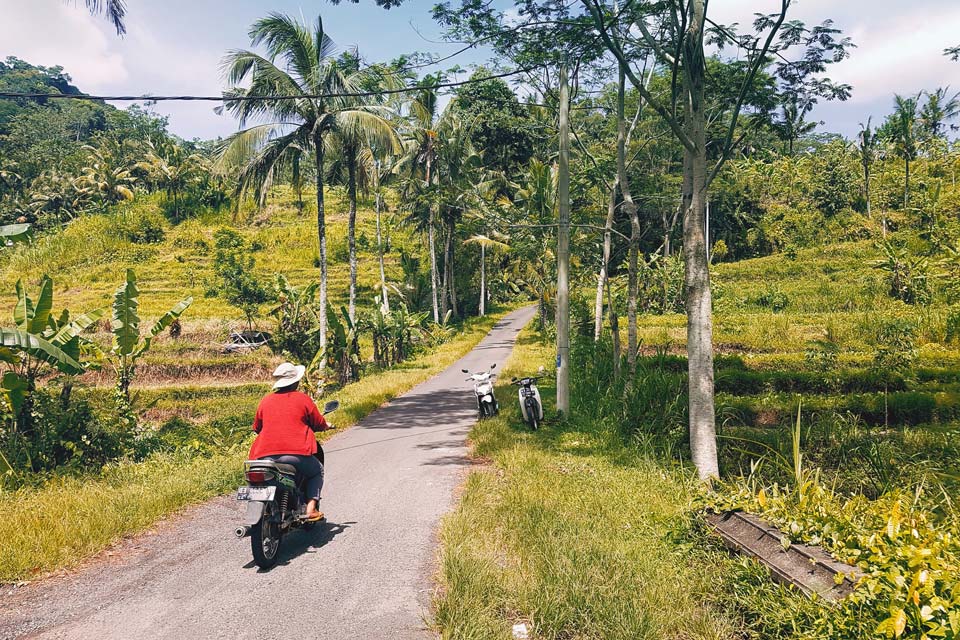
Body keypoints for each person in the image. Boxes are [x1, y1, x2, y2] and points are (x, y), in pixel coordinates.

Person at [249, 362, 330, 521]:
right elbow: (318, 422)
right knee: (316, 471)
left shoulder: (265, 401)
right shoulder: (303, 399)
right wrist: (326, 425)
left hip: (264, 456)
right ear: (296, 381)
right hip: (297, 454)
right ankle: (311, 509)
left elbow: (257, 427)